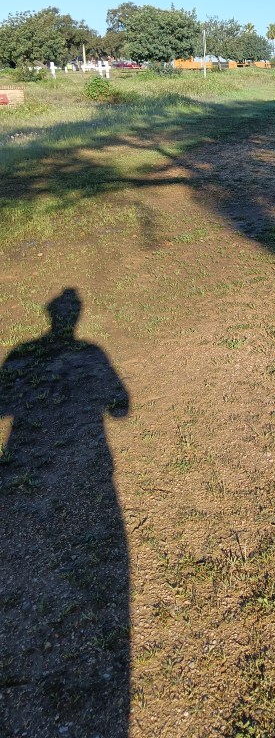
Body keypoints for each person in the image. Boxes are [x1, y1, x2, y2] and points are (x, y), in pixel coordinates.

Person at [0, 289, 131, 736]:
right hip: (89, 465)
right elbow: (121, 404)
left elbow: (4, 403)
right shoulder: (89, 353)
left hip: (34, 461)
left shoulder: (25, 353)